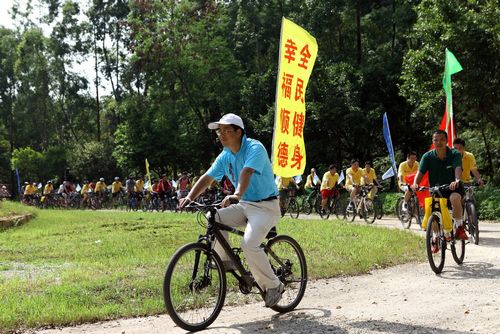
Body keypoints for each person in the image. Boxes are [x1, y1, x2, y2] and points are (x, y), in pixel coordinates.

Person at [179, 113, 283, 308]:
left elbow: (246, 172)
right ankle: (226, 262)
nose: (221, 135)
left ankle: (274, 286)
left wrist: (236, 194)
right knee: (214, 216)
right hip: (245, 205)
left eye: (226, 130)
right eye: (219, 131)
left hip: (266, 206)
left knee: (249, 244)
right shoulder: (225, 155)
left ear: (239, 132)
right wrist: (189, 197)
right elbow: (207, 178)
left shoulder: (254, 147)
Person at [411, 129, 467, 242]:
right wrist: (415, 183)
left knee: (454, 198)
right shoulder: (427, 156)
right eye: (435, 140)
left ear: (446, 141)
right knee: (433, 209)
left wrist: (456, 180)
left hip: (453, 187)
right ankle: (436, 236)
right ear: (432, 141)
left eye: (442, 139)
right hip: (436, 189)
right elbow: (420, 172)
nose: (439, 142)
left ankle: (460, 227)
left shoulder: (455, 153)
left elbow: (457, 168)